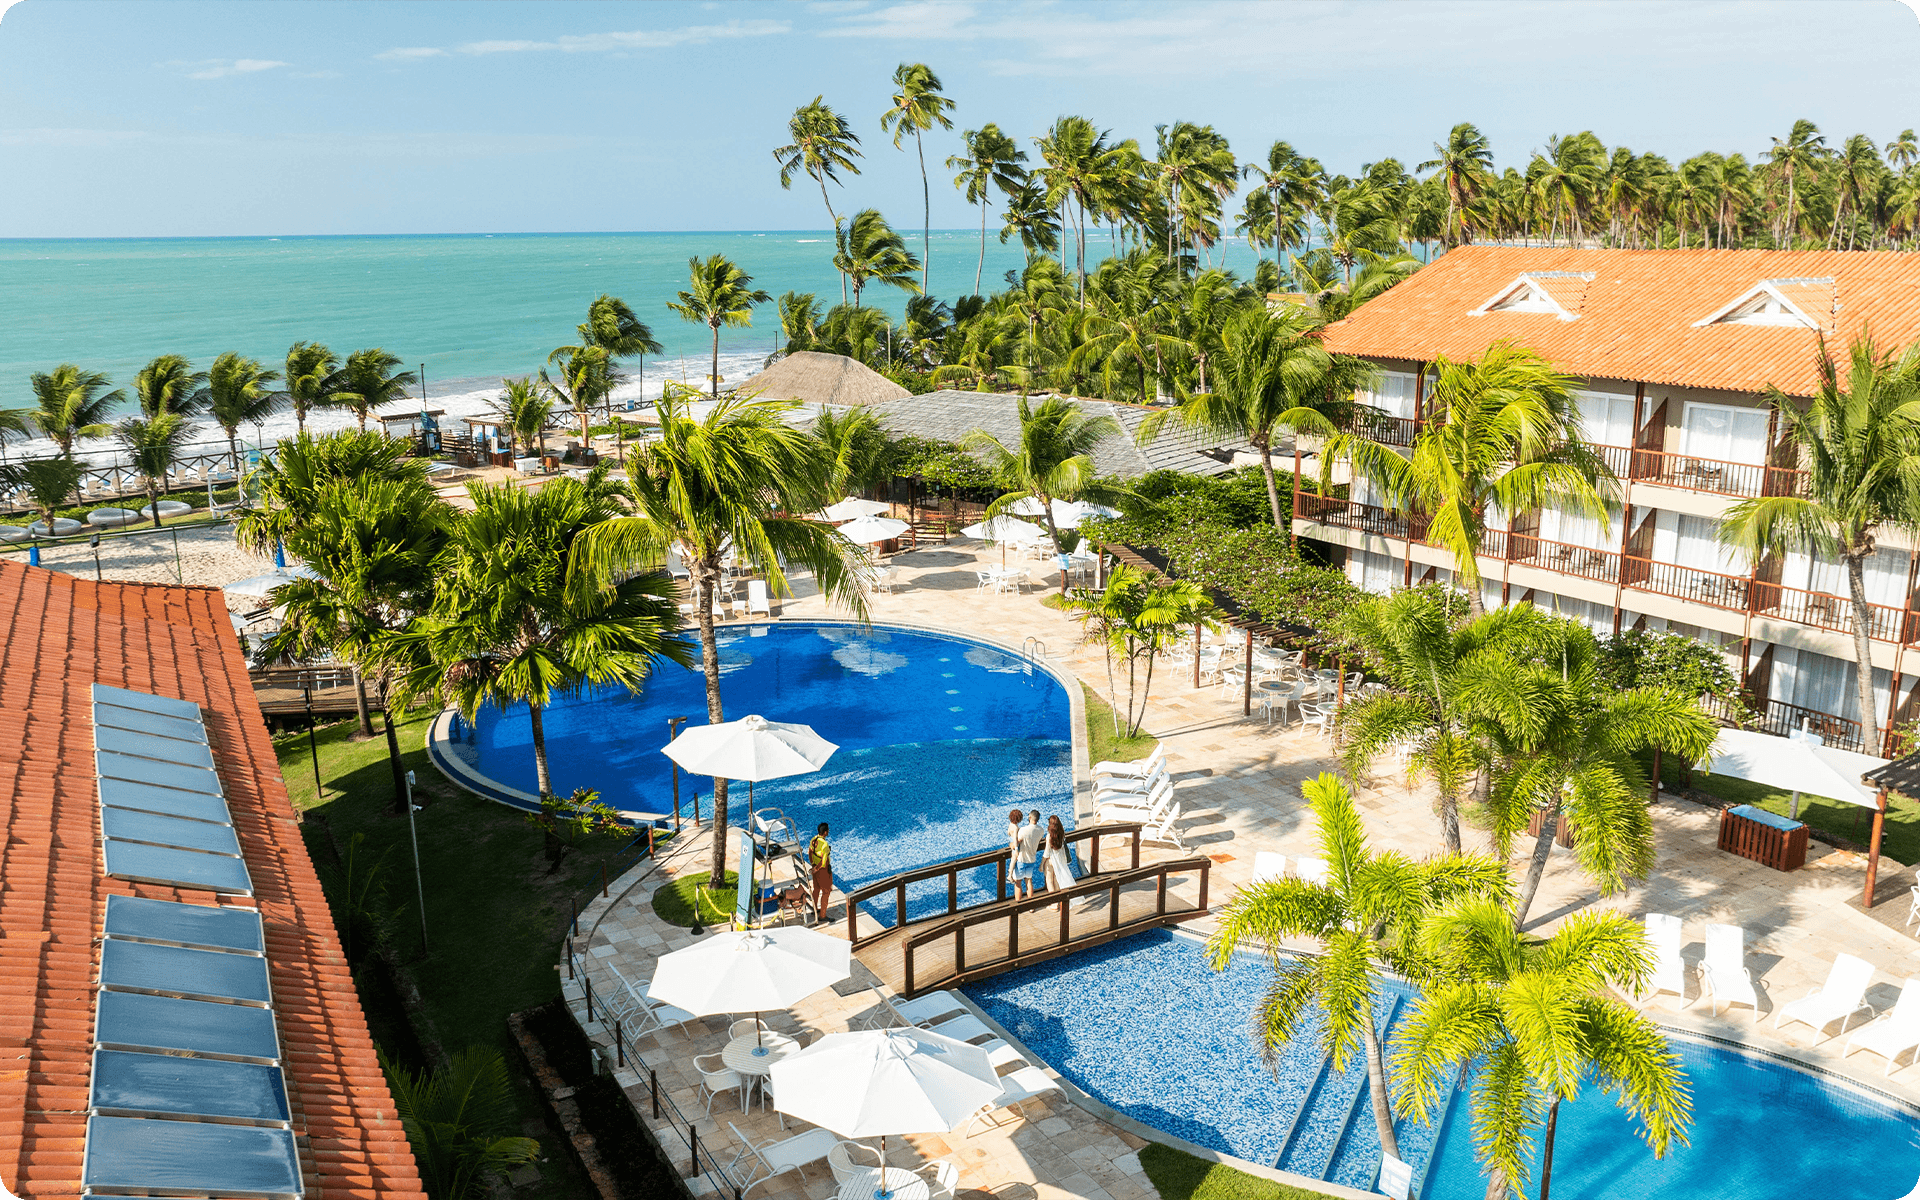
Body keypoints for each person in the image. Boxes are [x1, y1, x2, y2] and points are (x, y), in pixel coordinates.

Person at [807, 822, 833, 923]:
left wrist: (813, 864)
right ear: (825, 832)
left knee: (816, 889)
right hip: (823, 871)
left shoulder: (814, 839)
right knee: (826, 891)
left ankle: (814, 909)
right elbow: (824, 861)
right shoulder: (825, 845)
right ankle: (823, 915)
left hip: (815, 868)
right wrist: (817, 868)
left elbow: (809, 852)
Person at [1007, 809, 1035, 899]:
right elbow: (1015, 840)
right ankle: (1010, 874)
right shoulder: (1015, 828)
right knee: (1027, 881)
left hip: (1013, 847)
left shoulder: (1010, 825)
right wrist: (1016, 848)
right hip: (1016, 849)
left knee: (1018, 881)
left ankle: (1019, 903)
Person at [1042, 815, 1074, 892]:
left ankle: (1054, 902)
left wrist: (1041, 865)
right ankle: (1059, 901)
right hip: (1059, 860)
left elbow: (1046, 853)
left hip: (1051, 861)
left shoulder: (1049, 836)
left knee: (1049, 881)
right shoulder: (1062, 834)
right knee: (1057, 881)